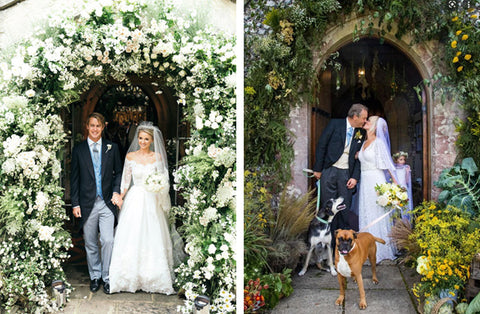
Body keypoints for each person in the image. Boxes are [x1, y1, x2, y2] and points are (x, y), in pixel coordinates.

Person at [109, 122, 175, 294]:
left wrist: (159, 188)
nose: (143, 141)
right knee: (131, 236)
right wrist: (120, 196)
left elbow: (164, 180)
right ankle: (128, 277)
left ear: (152, 140)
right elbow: (125, 181)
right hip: (135, 198)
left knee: (152, 236)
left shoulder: (158, 158)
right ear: (137, 139)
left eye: (146, 139)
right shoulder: (130, 157)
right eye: (140, 138)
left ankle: (152, 277)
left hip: (152, 200)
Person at [70, 112, 123, 294]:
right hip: (86, 204)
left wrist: (116, 192)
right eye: (92, 125)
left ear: (103, 127)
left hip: (107, 202)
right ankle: (95, 276)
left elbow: (119, 173)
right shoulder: (78, 150)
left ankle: (107, 277)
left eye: (98, 126)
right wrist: (75, 204)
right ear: (87, 126)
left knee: (108, 240)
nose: (94, 129)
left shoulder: (112, 148)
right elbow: (74, 179)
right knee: (90, 242)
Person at [313, 103, 368, 234]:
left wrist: (355, 177)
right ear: (355, 116)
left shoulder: (361, 132)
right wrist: (318, 169)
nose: (365, 121)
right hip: (329, 169)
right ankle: (327, 240)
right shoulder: (335, 124)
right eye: (364, 118)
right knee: (327, 205)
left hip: (346, 173)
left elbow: (360, 156)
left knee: (344, 206)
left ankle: (343, 242)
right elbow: (322, 145)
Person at [357, 116, 397, 262]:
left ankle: (379, 250)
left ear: (374, 126)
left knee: (375, 212)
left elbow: (388, 164)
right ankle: (365, 247)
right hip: (365, 181)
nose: (366, 122)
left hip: (375, 180)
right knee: (366, 211)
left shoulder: (378, 143)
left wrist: (396, 185)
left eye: (369, 121)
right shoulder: (363, 142)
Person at [393, 151, 413, 222]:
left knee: (405, 206)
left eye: (404, 159)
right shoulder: (393, 169)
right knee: (396, 207)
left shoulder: (405, 168)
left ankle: (406, 222)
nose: (403, 161)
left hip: (404, 188)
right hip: (396, 188)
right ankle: (397, 223)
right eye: (401, 159)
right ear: (396, 160)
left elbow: (407, 181)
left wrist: (407, 172)